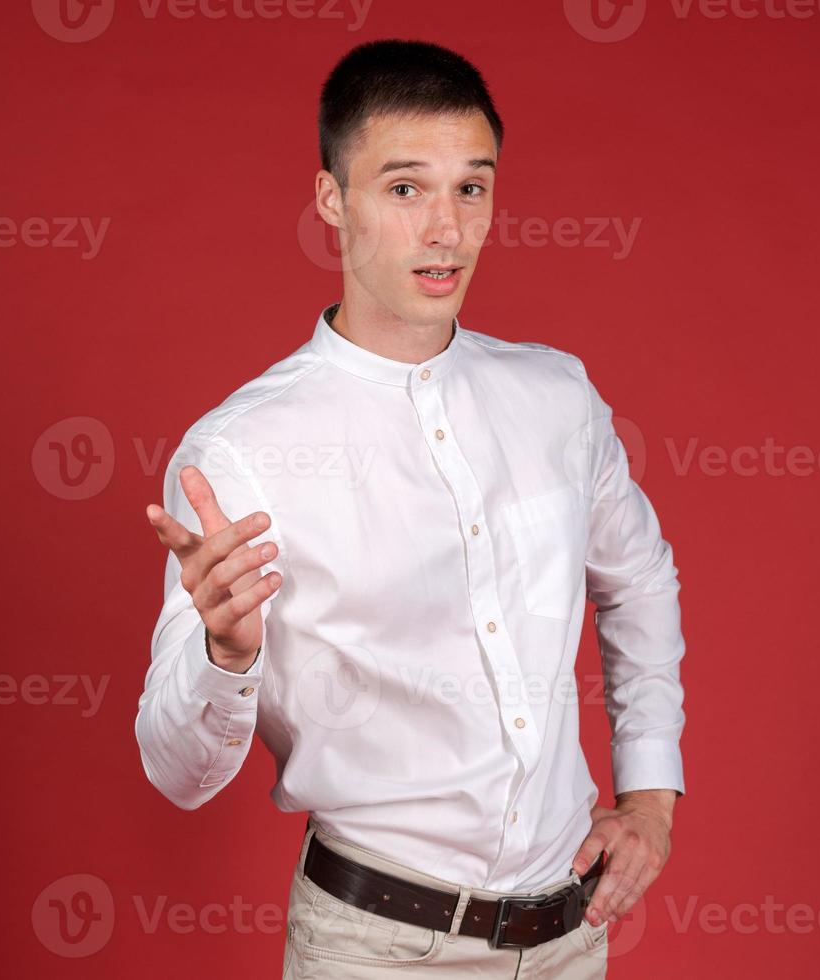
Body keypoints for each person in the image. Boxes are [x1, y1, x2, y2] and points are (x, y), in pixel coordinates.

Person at [135, 38, 687, 978]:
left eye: (471, 188)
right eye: (404, 189)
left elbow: (640, 580)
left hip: (569, 940)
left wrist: (652, 792)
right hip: (375, 952)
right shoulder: (242, 451)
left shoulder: (556, 397)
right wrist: (226, 658)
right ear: (330, 201)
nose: (446, 229)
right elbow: (176, 772)